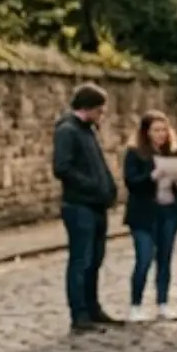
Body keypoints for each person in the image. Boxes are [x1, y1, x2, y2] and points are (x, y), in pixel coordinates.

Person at [53, 82, 120, 332]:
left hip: (96, 205)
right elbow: (62, 168)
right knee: (81, 260)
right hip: (79, 205)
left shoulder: (87, 130)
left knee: (95, 259)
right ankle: (79, 314)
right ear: (89, 107)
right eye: (99, 110)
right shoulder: (67, 130)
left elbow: (96, 164)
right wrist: (93, 186)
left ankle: (93, 308)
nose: (101, 115)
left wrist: (108, 187)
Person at [122, 111, 177, 322]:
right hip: (144, 214)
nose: (161, 134)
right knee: (144, 257)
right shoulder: (135, 154)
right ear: (146, 132)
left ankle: (163, 303)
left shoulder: (175, 154)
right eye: (156, 130)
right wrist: (152, 176)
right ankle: (136, 304)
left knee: (165, 259)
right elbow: (131, 182)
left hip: (168, 211)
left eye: (164, 130)